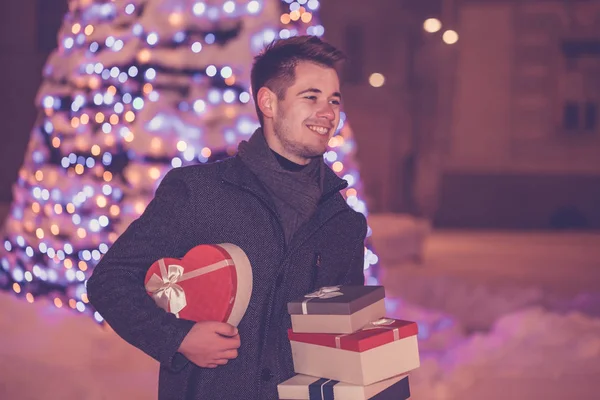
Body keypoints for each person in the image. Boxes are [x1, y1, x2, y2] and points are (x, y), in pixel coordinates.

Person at [86, 35, 367, 400]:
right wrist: (180, 338)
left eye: (333, 100)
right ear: (268, 102)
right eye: (311, 97)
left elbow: (346, 345)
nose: (328, 113)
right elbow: (110, 281)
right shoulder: (198, 192)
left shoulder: (343, 223)